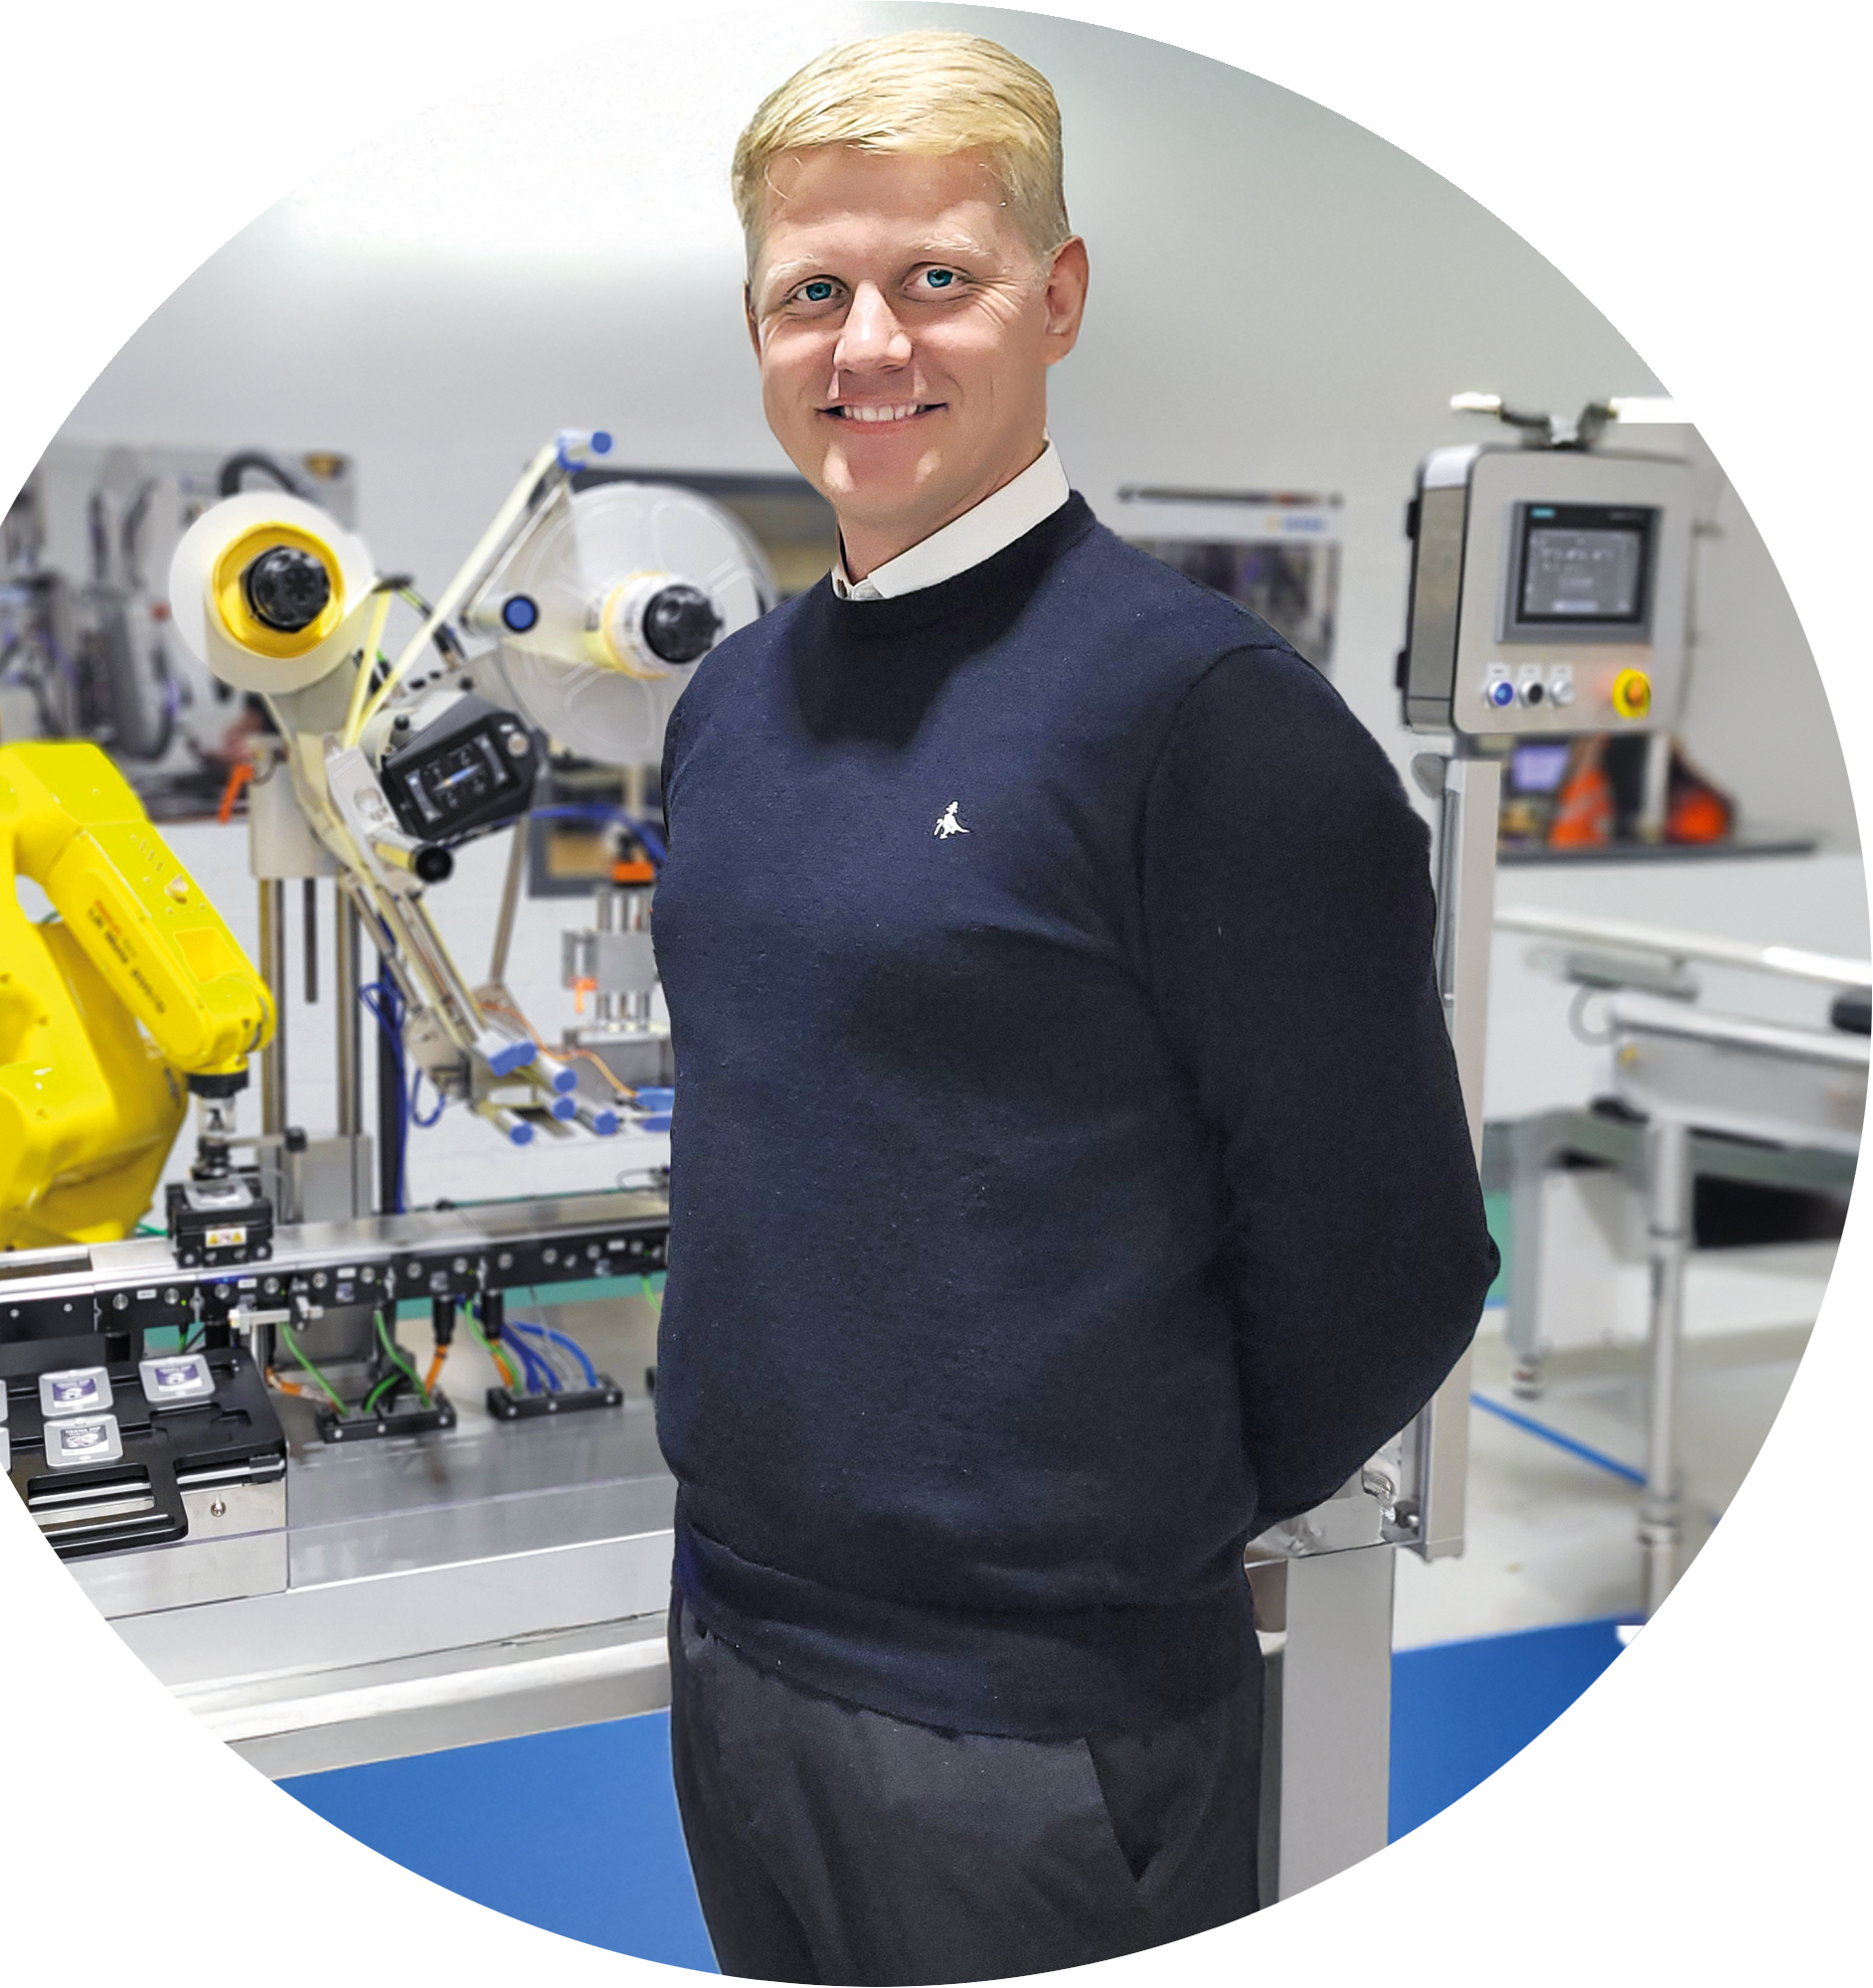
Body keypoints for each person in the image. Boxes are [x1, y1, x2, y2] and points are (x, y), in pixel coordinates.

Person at [650, 31, 1497, 1986]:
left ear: (1058, 294)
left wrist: (1109, 1517)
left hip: (1045, 1734)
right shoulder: (727, 711)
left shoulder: (1205, 724)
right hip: (735, 1650)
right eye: (812, 291)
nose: (869, 343)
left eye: (934, 277)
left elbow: (1390, 1268)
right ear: (760, 324)